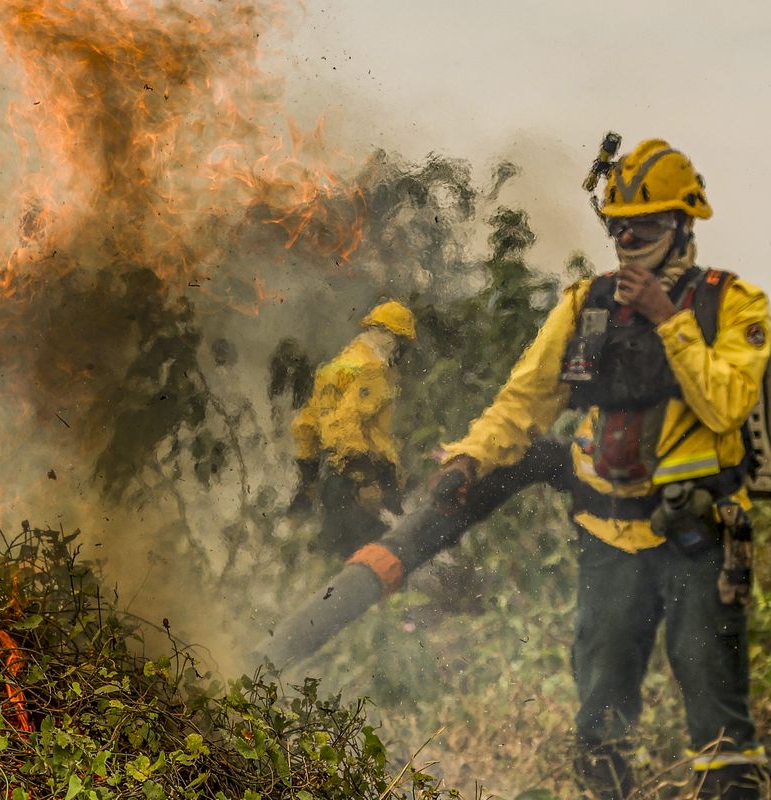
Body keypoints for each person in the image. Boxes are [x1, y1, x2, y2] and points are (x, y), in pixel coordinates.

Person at [428, 139, 769, 799]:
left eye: (643, 224)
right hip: (608, 538)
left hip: (699, 539)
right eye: (617, 225)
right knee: (600, 720)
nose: (627, 236)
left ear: (683, 225)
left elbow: (727, 406)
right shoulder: (586, 305)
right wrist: (471, 457)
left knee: (719, 725)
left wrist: (669, 320)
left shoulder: (733, 305)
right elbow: (522, 401)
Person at [290, 301, 415, 557]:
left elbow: (306, 424)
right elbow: (346, 424)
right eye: (400, 341)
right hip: (363, 481)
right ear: (390, 336)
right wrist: (365, 480)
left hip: (334, 478)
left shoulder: (334, 368)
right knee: (380, 564)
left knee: (335, 562)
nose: (399, 349)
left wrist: (307, 478)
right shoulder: (373, 369)